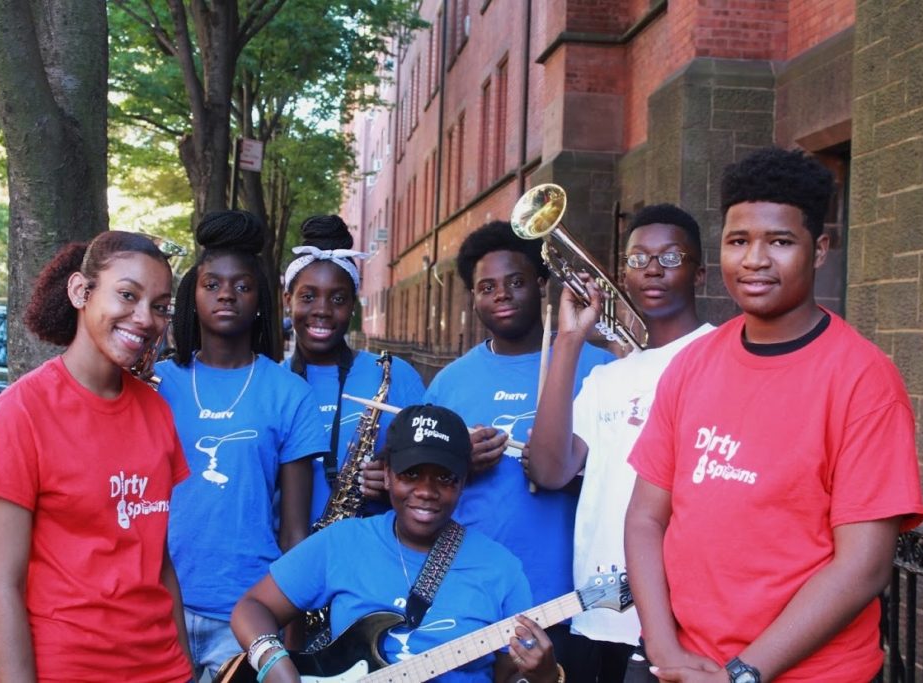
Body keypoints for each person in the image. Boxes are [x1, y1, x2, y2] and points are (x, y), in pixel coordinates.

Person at [624, 147, 923, 683]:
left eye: (780, 242)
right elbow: (646, 518)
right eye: (738, 241)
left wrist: (741, 674)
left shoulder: (863, 380)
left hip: (807, 674)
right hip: (682, 663)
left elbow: (863, 566)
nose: (755, 260)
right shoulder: (692, 364)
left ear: (819, 250)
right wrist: (664, 649)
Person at [0, 232, 193, 682]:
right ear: (80, 291)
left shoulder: (157, 412)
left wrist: (185, 668)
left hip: (161, 668)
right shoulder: (21, 412)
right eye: (128, 295)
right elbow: (3, 586)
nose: (145, 318)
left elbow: (158, 562)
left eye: (160, 306)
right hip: (61, 668)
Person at [230, 403, 562, 683]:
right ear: (387, 475)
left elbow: (509, 676)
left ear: (463, 482)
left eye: (445, 477)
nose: (426, 491)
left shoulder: (501, 570)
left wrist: (545, 676)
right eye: (410, 474)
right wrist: (275, 664)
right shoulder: (344, 542)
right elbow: (252, 608)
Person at [527, 203, 713, 682]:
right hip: (600, 610)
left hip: (684, 619)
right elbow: (549, 470)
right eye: (637, 259)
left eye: (670, 257)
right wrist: (570, 340)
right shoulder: (607, 377)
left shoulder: (720, 356)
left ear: (700, 274)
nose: (652, 269)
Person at [422, 220, 613, 668]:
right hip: (471, 593)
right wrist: (457, 462)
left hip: (570, 598)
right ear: (473, 298)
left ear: (542, 284)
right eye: (486, 287)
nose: (501, 295)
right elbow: (420, 486)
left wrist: (567, 469)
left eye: (516, 282)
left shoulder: (600, 369)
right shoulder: (449, 382)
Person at [156, 210, 328, 680]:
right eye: (211, 284)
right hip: (157, 605)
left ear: (261, 301)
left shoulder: (289, 393)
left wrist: (289, 638)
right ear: (192, 296)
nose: (226, 294)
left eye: (242, 286)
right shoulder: (157, 385)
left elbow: (295, 532)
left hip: (245, 614)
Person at [282, 214, 425, 524]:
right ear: (287, 301)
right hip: (286, 550)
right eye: (307, 297)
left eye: (338, 299)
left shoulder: (395, 375)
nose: (322, 310)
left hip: (372, 546)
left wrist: (397, 479)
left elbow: (432, 473)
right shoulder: (269, 382)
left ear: (352, 306)